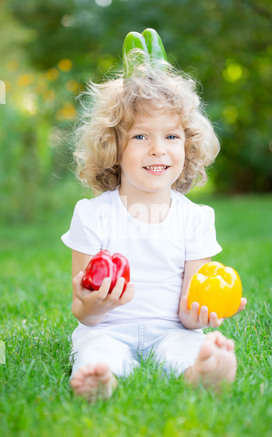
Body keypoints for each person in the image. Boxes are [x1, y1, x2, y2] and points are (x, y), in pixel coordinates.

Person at [61, 61, 247, 401]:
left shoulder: (197, 218)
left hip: (171, 330)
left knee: (189, 346)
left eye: (171, 136)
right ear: (113, 147)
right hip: (107, 328)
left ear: (187, 146)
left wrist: (205, 312)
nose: (158, 148)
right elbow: (83, 313)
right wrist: (96, 305)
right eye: (141, 136)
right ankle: (102, 380)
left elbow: (188, 318)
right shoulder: (92, 215)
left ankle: (202, 373)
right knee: (96, 350)